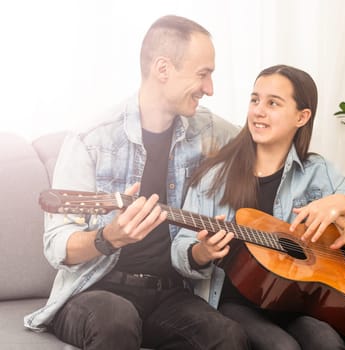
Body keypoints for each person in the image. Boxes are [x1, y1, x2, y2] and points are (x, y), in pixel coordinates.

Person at [24, 15, 250, 350]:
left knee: (227, 336)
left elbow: (265, 145)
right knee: (116, 321)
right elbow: (57, 245)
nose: (210, 89)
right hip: (96, 290)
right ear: (163, 69)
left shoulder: (209, 132)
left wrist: (339, 204)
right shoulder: (91, 139)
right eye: (203, 74)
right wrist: (108, 238)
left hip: (170, 294)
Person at [171, 64, 345, 350]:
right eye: (255, 100)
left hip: (297, 302)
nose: (258, 111)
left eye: (273, 103)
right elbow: (179, 250)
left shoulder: (317, 172)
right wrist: (202, 252)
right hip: (234, 302)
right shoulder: (213, 176)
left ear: (302, 117)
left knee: (327, 342)